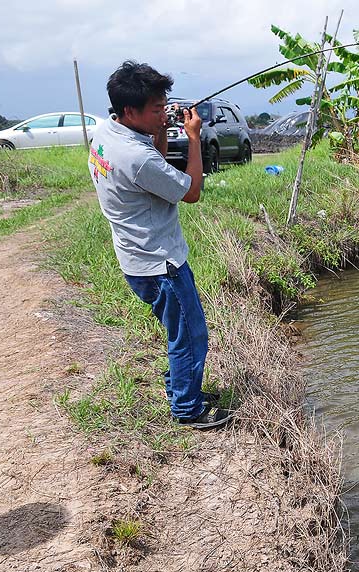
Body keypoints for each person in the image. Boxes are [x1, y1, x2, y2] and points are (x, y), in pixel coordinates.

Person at [89, 61, 232, 429]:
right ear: (130, 111)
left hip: (137, 259)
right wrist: (195, 139)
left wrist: (161, 131)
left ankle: (181, 385)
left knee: (178, 329)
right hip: (161, 263)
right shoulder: (135, 158)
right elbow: (192, 192)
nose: (163, 112)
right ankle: (187, 408)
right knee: (191, 335)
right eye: (157, 109)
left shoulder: (107, 132)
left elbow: (155, 160)